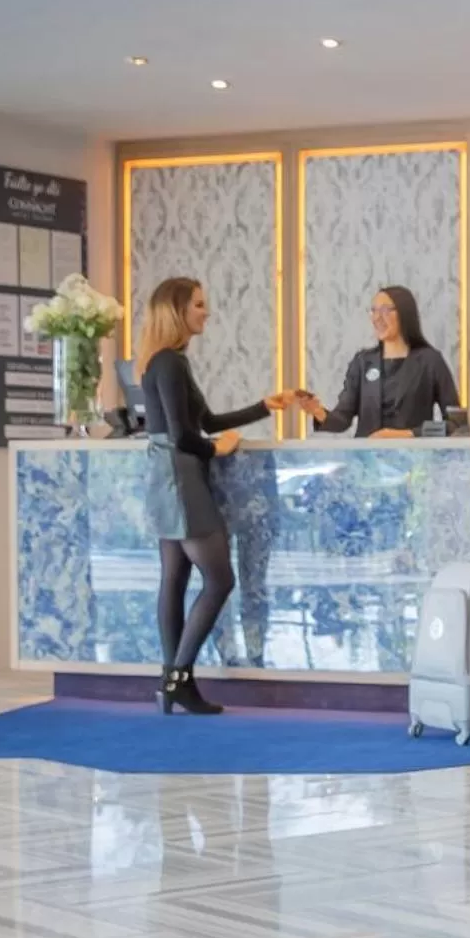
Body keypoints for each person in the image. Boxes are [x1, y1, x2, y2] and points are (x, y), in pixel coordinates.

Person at [138, 276, 297, 714]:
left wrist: (265, 406)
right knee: (220, 579)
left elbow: (205, 419)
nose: (206, 312)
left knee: (175, 578)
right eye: (199, 305)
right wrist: (216, 448)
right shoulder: (169, 363)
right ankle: (176, 678)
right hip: (181, 477)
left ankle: (173, 681)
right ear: (178, 311)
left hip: (169, 475)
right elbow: (187, 435)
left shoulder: (165, 362)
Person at [302, 285, 460, 438]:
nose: (377, 317)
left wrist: (409, 434)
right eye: (373, 311)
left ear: (405, 313)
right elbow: (342, 419)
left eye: (385, 310)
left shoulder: (430, 361)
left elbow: (455, 424)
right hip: (366, 461)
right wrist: (316, 411)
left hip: (415, 461)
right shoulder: (362, 362)